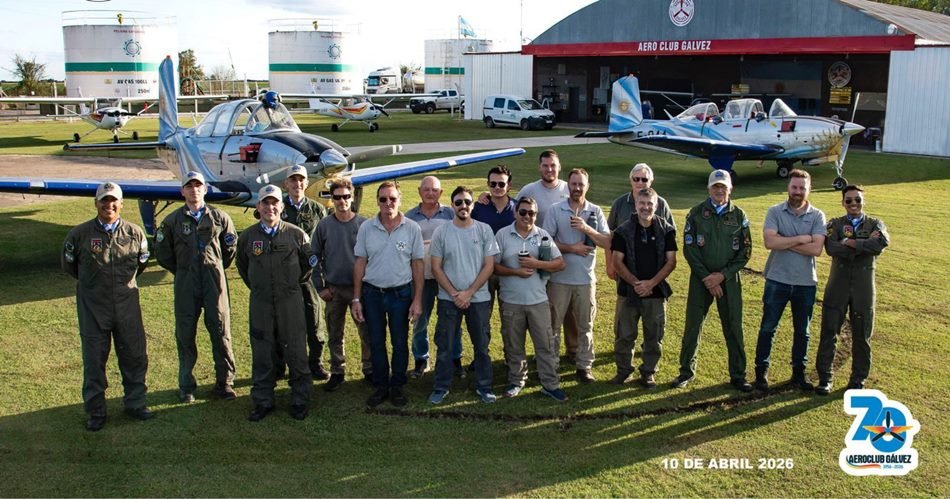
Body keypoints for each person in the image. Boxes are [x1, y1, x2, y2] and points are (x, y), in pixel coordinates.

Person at [62, 182, 153, 431]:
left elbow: (140, 265)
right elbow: (70, 266)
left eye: (113, 200)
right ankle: (96, 412)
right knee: (94, 361)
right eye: (104, 200)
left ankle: (135, 404)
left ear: (121, 204)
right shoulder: (79, 235)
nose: (108, 205)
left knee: (134, 357)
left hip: (127, 307)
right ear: (96, 203)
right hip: (93, 308)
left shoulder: (135, 233)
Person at [155, 171, 238, 403]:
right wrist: (184, 270)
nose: (194, 190)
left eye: (198, 185)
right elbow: (163, 253)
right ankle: (186, 385)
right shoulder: (172, 221)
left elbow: (230, 250)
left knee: (221, 331)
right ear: (182, 191)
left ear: (205, 189)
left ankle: (225, 383)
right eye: (189, 186)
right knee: (185, 334)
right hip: (186, 283)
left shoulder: (220, 218)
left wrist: (214, 267)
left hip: (214, 282)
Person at [236, 185, 314, 421]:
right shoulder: (248, 237)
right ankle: (263, 401)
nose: (270, 207)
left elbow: (307, 267)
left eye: (274, 203)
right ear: (258, 206)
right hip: (261, 302)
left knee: (296, 350)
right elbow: (243, 266)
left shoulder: (296, 234)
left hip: (290, 301)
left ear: (281, 206)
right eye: (265, 203)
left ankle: (300, 399)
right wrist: (260, 287)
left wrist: (289, 287)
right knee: (262, 351)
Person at [673, 169, 753, 392]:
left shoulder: (739, 215)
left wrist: (721, 276)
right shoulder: (696, 213)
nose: (719, 191)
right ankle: (686, 371)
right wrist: (707, 278)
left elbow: (745, 252)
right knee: (693, 325)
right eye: (715, 187)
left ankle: (738, 375)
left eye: (723, 187)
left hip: (729, 280)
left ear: (730, 189)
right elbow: (690, 249)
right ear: (708, 189)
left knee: (733, 326)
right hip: (701, 279)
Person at [352, 181, 424, 408]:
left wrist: (417, 299)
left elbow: (418, 264)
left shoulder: (412, 228)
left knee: (400, 342)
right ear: (377, 201)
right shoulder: (366, 228)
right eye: (383, 199)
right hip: (372, 294)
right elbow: (360, 262)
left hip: (401, 294)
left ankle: (397, 386)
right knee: (376, 341)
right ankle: (381, 385)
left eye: (392, 198)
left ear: (399, 200)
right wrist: (356, 298)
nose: (388, 203)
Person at [753, 170, 826, 391]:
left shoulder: (817, 216)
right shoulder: (774, 211)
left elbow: (816, 249)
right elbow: (769, 242)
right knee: (768, 327)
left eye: (802, 188)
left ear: (809, 189)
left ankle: (798, 374)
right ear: (788, 187)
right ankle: (761, 372)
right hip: (777, 278)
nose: (797, 191)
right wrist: (801, 239)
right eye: (794, 187)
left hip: (805, 282)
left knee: (802, 331)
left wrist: (784, 241)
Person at [427, 186, 500, 404]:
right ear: (452, 205)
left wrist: (469, 292)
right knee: (445, 346)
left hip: (479, 299)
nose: (463, 206)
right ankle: (441, 386)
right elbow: (436, 267)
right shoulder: (442, 232)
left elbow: (489, 266)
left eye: (467, 202)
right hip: (449, 299)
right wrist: (454, 294)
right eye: (458, 202)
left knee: (482, 346)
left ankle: (484, 386)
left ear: (473, 205)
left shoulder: (484, 230)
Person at [815, 186, 889, 395]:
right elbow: (831, 247)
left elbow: (881, 243)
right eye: (849, 200)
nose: (853, 204)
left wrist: (849, 242)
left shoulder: (875, 223)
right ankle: (825, 378)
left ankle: (858, 379)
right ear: (843, 203)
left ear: (863, 201)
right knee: (829, 330)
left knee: (862, 333)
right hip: (838, 282)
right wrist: (864, 246)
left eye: (857, 199)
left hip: (863, 285)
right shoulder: (835, 224)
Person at [494, 197, 569, 401]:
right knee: (514, 345)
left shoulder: (542, 235)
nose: (527, 216)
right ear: (515, 213)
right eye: (523, 212)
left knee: (545, 345)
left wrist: (537, 264)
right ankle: (516, 381)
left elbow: (560, 263)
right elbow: (493, 266)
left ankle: (550, 385)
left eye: (532, 213)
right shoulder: (502, 235)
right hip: (511, 300)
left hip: (538, 301)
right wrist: (515, 272)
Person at [542, 168, 611, 383]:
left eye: (581, 184)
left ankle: (584, 366)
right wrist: (572, 248)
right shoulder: (556, 210)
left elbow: (607, 242)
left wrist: (587, 229)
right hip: (558, 280)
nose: (577, 188)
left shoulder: (595, 211)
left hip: (585, 280)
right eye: (573, 184)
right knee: (553, 326)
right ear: (568, 185)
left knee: (585, 326)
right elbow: (545, 243)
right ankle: (551, 365)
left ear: (587, 186)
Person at [610, 188, 677, 388]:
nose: (645, 207)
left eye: (650, 204)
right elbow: (617, 261)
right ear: (636, 204)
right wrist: (636, 284)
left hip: (656, 293)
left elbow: (671, 261)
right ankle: (623, 371)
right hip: (628, 292)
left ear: (656, 206)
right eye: (642, 203)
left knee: (654, 336)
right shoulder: (623, 230)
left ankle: (648, 373)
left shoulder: (667, 230)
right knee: (624, 334)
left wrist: (651, 283)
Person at [312, 177, 373, 392]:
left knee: (366, 332)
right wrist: (320, 287)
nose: (342, 201)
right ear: (332, 199)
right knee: (335, 333)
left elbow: (373, 256)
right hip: (334, 289)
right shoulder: (324, 225)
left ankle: (369, 369)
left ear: (352, 197)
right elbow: (314, 257)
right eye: (337, 197)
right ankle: (337, 371)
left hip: (360, 289)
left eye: (346, 197)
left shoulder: (364, 224)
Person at [517, 150, 578, 361]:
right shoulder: (529, 190)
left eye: (553, 165)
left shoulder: (568, 188)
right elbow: (514, 210)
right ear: (539, 167)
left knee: (568, 308)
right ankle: (543, 350)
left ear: (559, 167)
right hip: (535, 260)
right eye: (545, 165)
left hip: (563, 258)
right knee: (544, 309)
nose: (549, 169)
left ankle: (573, 349)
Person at [404, 176, 461, 379]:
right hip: (422, 278)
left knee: (451, 320)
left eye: (434, 190)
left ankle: (454, 358)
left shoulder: (451, 213)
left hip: (447, 278)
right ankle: (421, 359)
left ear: (441, 192)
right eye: (426, 189)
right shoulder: (409, 217)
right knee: (420, 320)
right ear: (419, 191)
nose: (430, 193)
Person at [280, 165, 329, 381]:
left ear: (307, 183)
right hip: (285, 275)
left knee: (314, 320)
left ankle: (316, 363)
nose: (297, 184)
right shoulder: (277, 207)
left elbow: (324, 242)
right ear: (286, 184)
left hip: (310, 275)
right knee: (286, 323)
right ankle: (287, 364)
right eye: (293, 180)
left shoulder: (318, 209)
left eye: (301, 180)